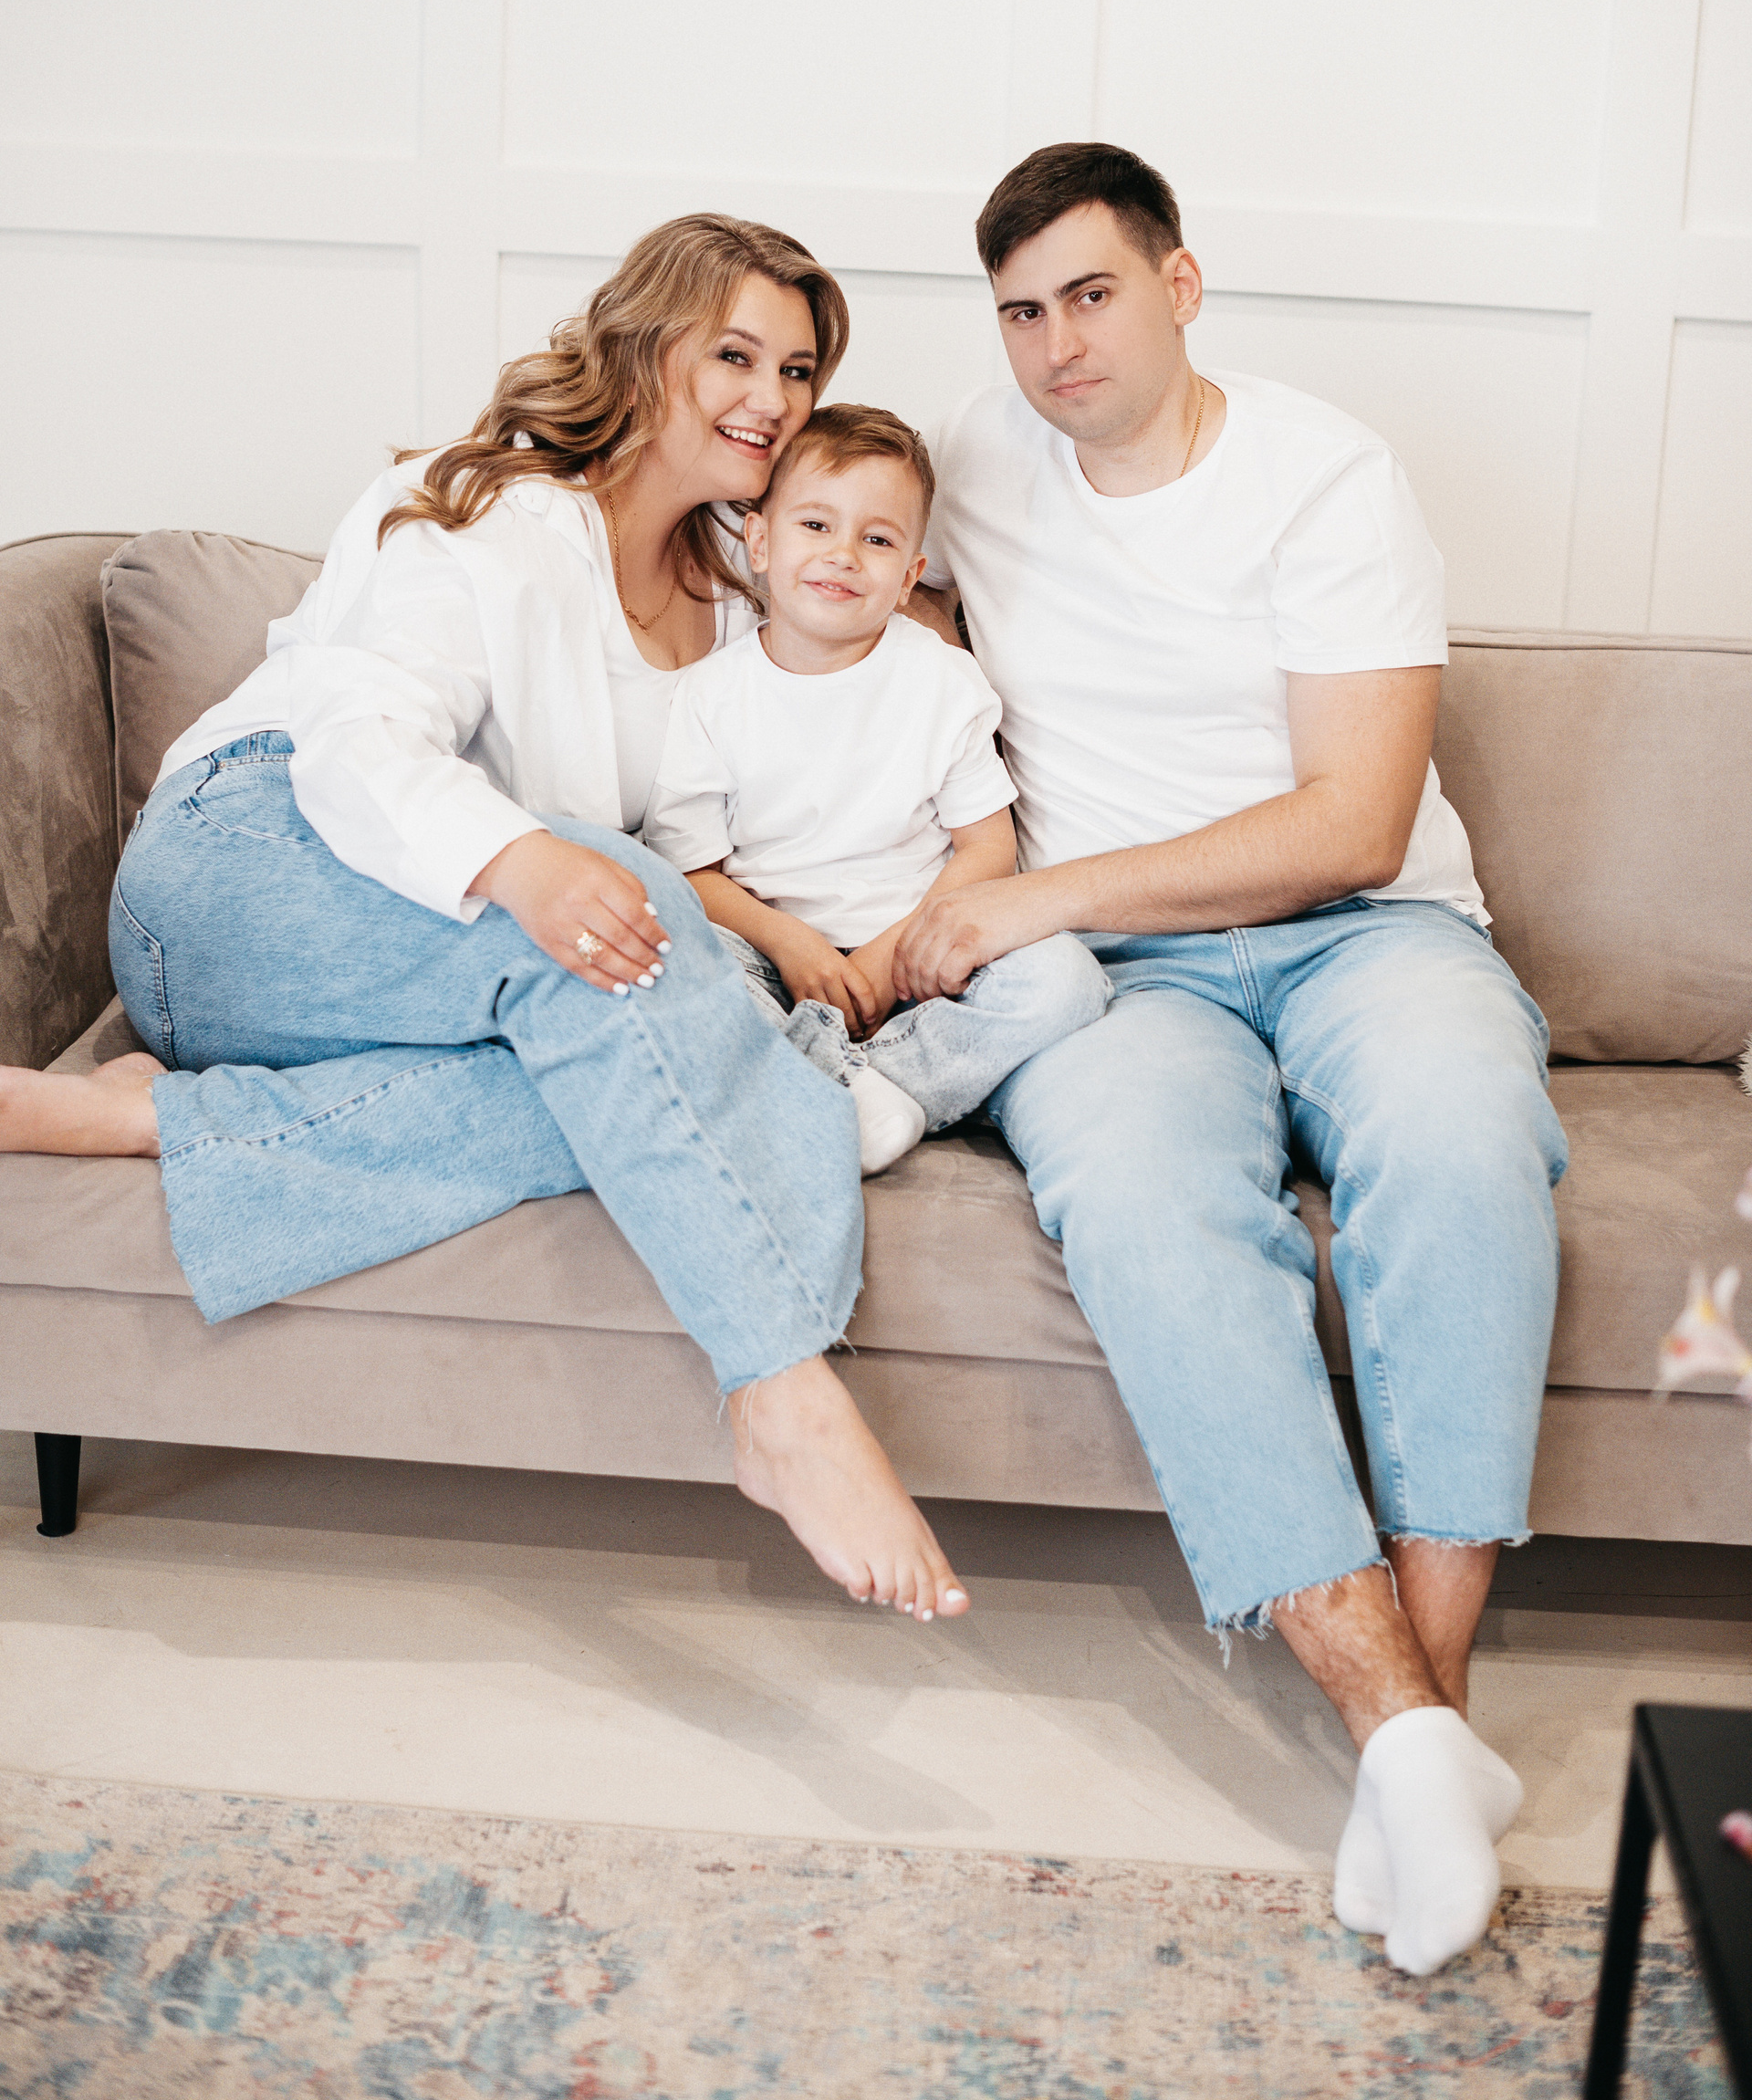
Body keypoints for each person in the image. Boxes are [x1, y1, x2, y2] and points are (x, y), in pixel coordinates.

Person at [0, 214, 969, 1629]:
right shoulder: (488, 513)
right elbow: (355, 742)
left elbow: (876, 644)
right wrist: (518, 860)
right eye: (735, 355)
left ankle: (158, 1120)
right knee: (622, 928)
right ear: (644, 348)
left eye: (800, 368)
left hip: (439, 965)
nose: (773, 397)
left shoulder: (745, 583)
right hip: (242, 862)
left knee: (650, 1058)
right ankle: (779, 1386)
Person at [897, 143, 1567, 1975]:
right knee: (1137, 1201)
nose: (1057, 346)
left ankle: (1416, 1726)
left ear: (1179, 285)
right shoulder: (972, 459)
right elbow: (791, 545)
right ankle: (1412, 1747)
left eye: (1091, 295)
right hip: (1134, 985)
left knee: (1460, 1139)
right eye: (1020, 313)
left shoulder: (1327, 474)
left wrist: (1040, 896)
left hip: (1372, 931)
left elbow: (1355, 822)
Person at [644, 401, 1111, 1173]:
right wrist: (790, 944)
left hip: (919, 952)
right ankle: (841, 1085)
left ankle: (855, 1086)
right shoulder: (708, 696)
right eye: (815, 525)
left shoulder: (943, 681)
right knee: (682, 968)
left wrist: (890, 960)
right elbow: (693, 872)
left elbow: (988, 849)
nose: (843, 555)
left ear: (909, 577)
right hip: (770, 954)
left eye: (878, 539)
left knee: (1064, 980)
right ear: (760, 541)